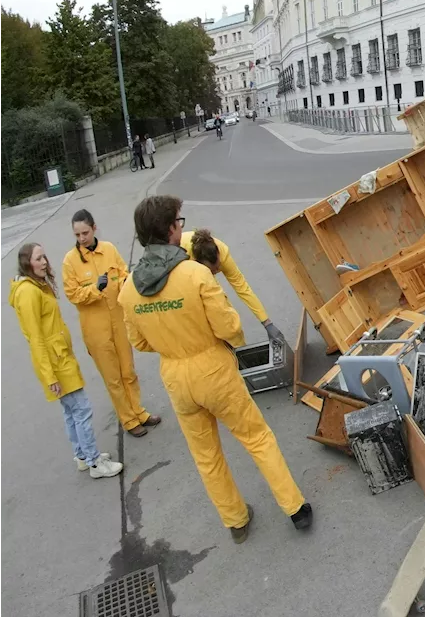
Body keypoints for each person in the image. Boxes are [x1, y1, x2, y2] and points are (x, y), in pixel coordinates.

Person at [119, 196, 312, 543]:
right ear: (171, 229)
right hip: (213, 369)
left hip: (175, 378)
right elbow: (229, 329)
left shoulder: (128, 289)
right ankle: (295, 508)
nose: (183, 225)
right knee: (257, 438)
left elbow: (140, 343)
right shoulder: (195, 273)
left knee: (206, 457)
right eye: (180, 220)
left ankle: (236, 520)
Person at [10, 243, 126, 479]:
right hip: (56, 362)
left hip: (59, 357)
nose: (44, 262)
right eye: (38, 258)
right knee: (81, 409)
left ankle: (83, 456)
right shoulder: (28, 292)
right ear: (27, 263)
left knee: (72, 411)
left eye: (44, 257)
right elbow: (35, 338)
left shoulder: (36, 287)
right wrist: (50, 375)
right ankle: (95, 463)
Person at [62, 210, 161, 437]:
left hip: (118, 321)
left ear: (94, 228)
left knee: (128, 371)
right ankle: (128, 420)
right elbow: (73, 294)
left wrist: (127, 280)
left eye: (85, 232)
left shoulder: (109, 250)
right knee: (113, 378)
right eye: (77, 234)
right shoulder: (71, 261)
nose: (82, 238)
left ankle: (139, 411)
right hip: (96, 329)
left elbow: (123, 274)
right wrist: (95, 289)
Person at [179, 229, 284, 346]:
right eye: (212, 271)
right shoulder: (182, 253)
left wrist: (267, 323)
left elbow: (242, 288)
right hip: (182, 277)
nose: (215, 272)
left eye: (217, 268)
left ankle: (238, 350)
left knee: (225, 315)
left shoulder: (223, 253)